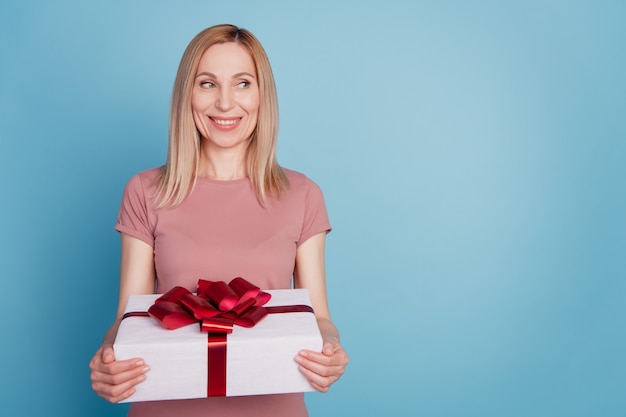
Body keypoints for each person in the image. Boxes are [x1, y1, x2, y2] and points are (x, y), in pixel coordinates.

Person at [89, 24, 348, 417]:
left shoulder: (304, 194)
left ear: (262, 95)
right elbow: (129, 318)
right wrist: (109, 358)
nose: (226, 103)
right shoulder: (145, 191)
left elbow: (321, 319)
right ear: (187, 96)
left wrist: (330, 351)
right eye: (207, 84)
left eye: (242, 83)